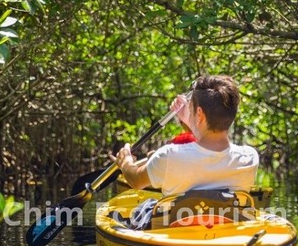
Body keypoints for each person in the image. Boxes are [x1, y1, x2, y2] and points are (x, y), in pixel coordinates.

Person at [111, 75, 259, 197]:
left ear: (199, 114)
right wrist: (190, 120)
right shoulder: (249, 157)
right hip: (226, 222)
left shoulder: (170, 156)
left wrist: (125, 162)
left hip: (178, 222)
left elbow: (136, 180)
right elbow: (208, 150)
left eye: (192, 109)